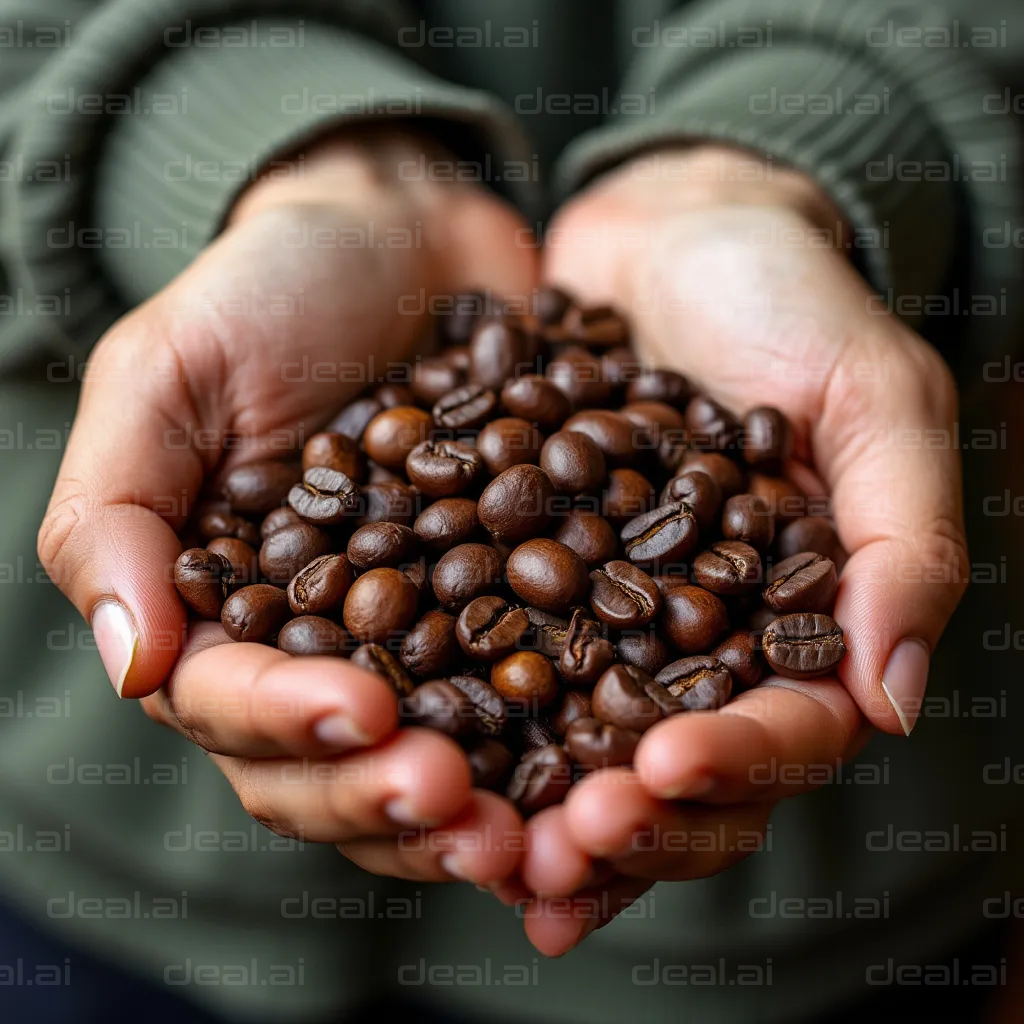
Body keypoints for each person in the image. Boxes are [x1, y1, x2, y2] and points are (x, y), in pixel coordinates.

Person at [1, 0, 1022, 1020]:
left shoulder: (661, 523)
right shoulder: (389, 515)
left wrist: (789, 165)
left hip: (822, 931)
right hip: (105, 874)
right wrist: (228, 135)